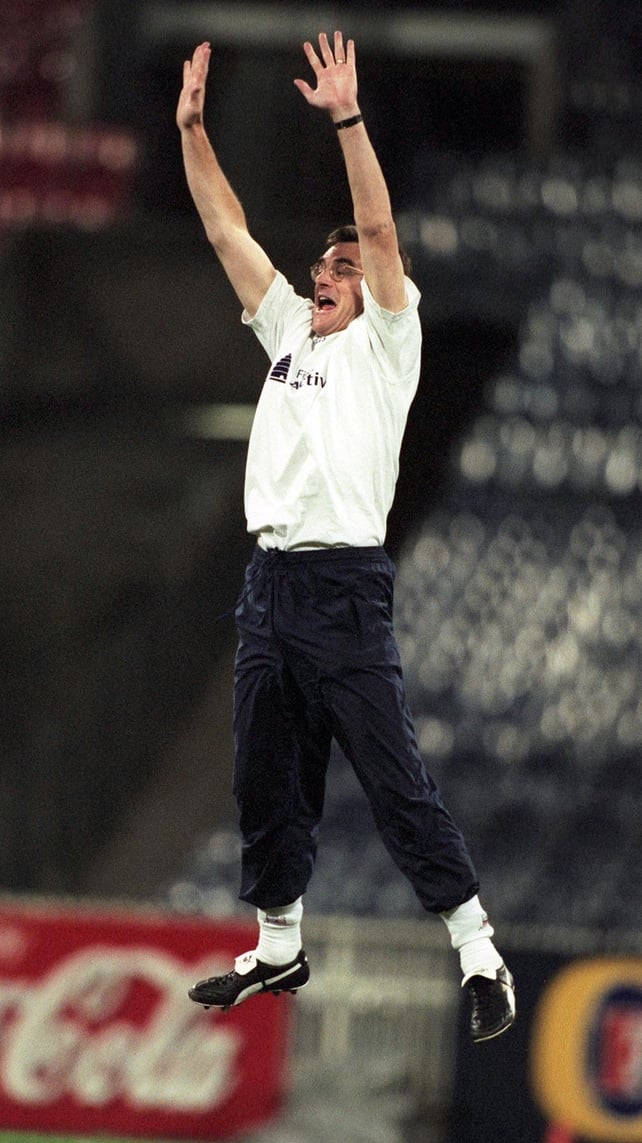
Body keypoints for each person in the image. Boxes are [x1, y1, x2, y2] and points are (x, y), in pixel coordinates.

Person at [177, 31, 515, 1043]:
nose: (327, 270)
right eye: (323, 261)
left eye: (343, 265)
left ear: (377, 288)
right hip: (269, 588)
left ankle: (478, 951)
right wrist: (194, 131)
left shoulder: (388, 342)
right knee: (262, 781)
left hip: (345, 592)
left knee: (393, 781)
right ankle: (279, 948)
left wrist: (349, 120)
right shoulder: (287, 331)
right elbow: (227, 228)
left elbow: (376, 222)